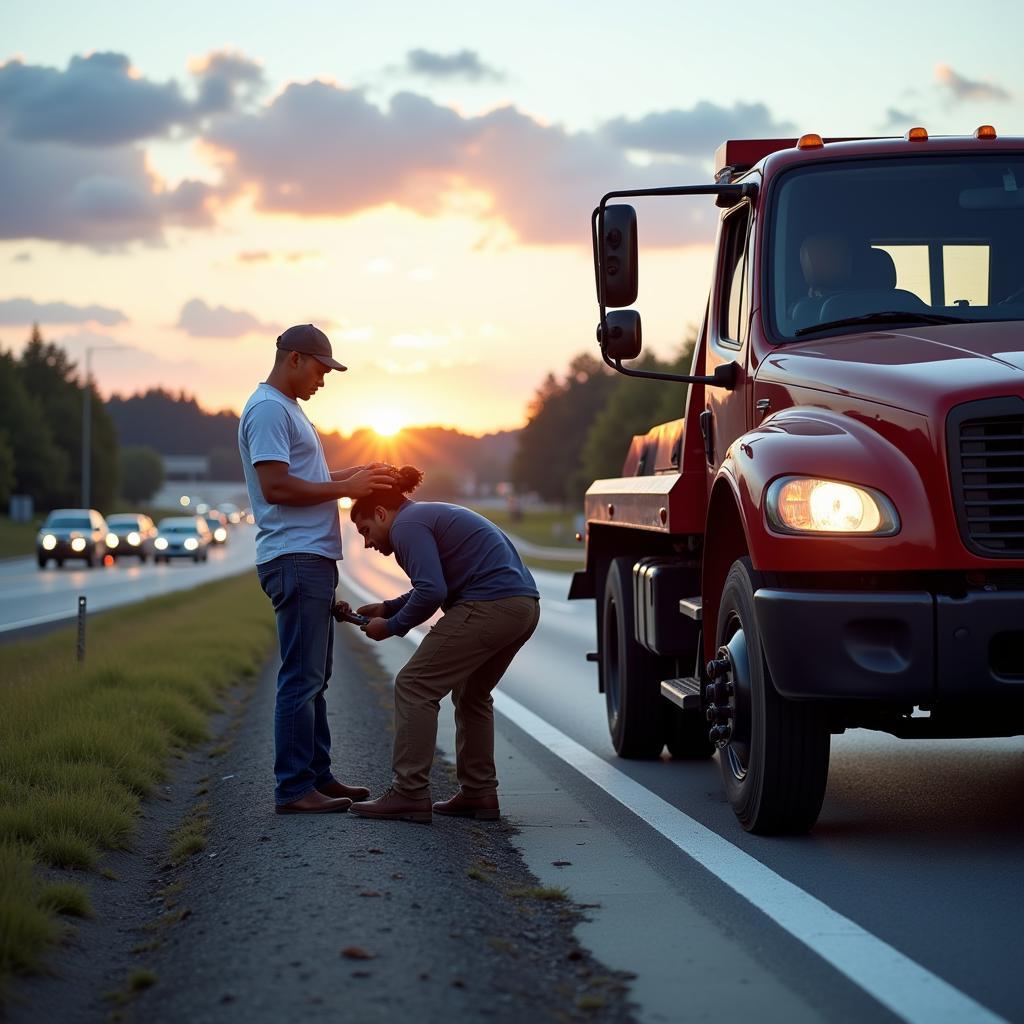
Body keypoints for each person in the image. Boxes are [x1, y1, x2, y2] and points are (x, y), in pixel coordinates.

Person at [238, 324, 395, 815]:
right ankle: (292, 789)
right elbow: (277, 488)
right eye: (322, 370)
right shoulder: (268, 410)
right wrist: (344, 489)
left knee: (316, 677)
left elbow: (307, 480)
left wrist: (356, 476)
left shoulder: (288, 411)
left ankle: (317, 776)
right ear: (295, 359)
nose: (323, 381)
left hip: (311, 558)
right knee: (300, 678)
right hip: (295, 557)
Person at [343, 466, 540, 823]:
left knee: (414, 685)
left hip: (490, 605)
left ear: (382, 514)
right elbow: (437, 584)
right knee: (472, 695)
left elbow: (432, 591)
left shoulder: (406, 527)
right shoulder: (422, 517)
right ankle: (479, 794)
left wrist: (391, 625)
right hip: (522, 606)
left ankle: (408, 793)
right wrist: (389, 607)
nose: (367, 543)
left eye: (366, 531)